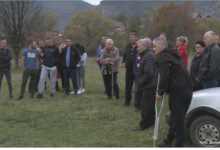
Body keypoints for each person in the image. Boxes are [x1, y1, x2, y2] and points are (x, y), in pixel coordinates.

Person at [153, 37, 193, 147]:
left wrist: (160, 92)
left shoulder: (162, 56)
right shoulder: (174, 54)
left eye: (155, 46)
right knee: (176, 117)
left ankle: (179, 145)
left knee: (178, 119)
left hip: (178, 90)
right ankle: (169, 140)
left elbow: (164, 76)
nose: (153, 49)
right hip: (188, 89)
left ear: (162, 46)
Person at [131, 39, 158, 131]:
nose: (137, 48)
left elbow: (149, 73)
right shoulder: (146, 55)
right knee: (149, 105)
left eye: (139, 46)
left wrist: (140, 81)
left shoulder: (148, 56)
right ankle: (151, 122)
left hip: (149, 85)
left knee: (145, 105)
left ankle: (144, 124)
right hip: (149, 85)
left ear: (145, 46)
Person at [122, 31, 138, 107]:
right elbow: (124, 56)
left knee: (138, 87)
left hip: (137, 70)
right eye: (130, 37)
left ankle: (137, 103)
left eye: (133, 37)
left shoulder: (139, 46)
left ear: (136, 38)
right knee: (128, 86)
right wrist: (123, 62)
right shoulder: (128, 46)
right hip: (128, 70)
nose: (131, 39)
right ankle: (127, 101)